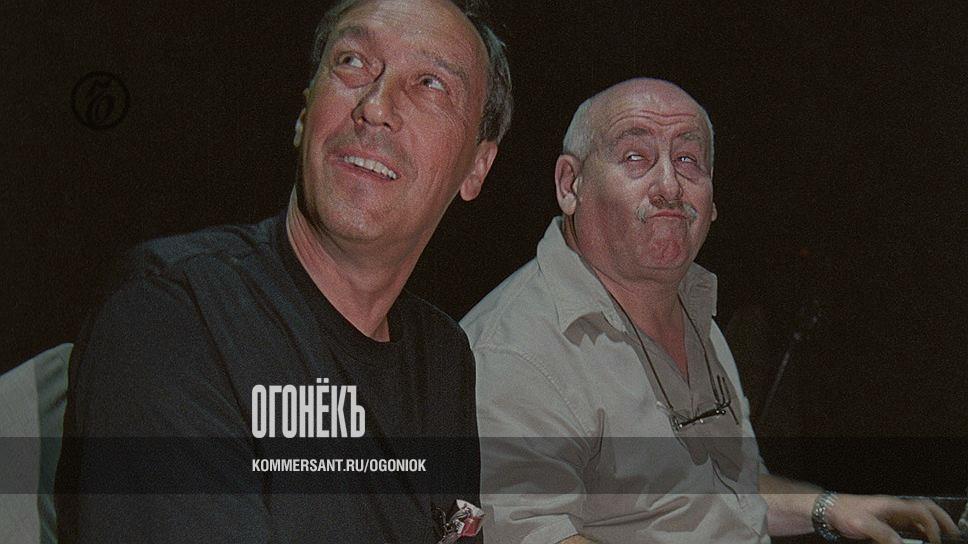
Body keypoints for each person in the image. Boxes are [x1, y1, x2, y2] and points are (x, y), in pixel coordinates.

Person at [55, 0, 511, 542]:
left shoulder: (442, 356)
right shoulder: (170, 316)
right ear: (304, 113)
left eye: (431, 84)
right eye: (352, 61)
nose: (375, 106)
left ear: (477, 167)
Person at [464, 78, 957, 543]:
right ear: (570, 185)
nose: (669, 185)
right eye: (635, 157)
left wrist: (830, 507)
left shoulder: (693, 311)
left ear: (714, 199)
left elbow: (727, 491)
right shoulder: (513, 353)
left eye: (688, 160)